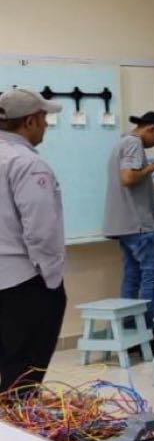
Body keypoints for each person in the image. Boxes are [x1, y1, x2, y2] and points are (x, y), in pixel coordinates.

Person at [0, 89, 66, 392]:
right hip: (24, 283)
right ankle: (19, 417)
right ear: (29, 121)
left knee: (7, 368)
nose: (46, 125)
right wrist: (51, 279)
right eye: (43, 119)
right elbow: (41, 230)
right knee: (24, 376)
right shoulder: (27, 163)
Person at [103, 112, 154, 347]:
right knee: (151, 275)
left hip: (124, 225)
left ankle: (131, 334)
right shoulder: (134, 144)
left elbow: (130, 181)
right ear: (151, 129)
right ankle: (150, 335)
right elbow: (128, 178)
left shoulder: (122, 143)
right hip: (139, 225)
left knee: (132, 277)